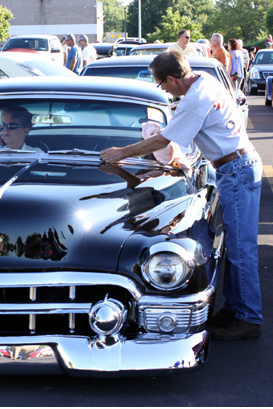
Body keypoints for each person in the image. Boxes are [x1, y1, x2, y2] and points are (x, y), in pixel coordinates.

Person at [100, 51, 263, 341]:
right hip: (237, 166)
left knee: (241, 249)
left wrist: (121, 153)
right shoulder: (207, 80)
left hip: (235, 168)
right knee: (235, 246)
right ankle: (236, 309)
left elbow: (165, 140)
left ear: (173, 79)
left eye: (162, 84)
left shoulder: (194, 99)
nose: (162, 89)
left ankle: (248, 316)